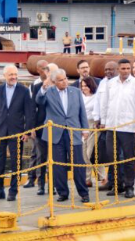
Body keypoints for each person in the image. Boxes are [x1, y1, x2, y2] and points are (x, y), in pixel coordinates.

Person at [35, 69, 90, 202]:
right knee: (58, 165)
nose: (64, 81)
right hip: (55, 133)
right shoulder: (48, 92)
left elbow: (82, 111)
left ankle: (83, 193)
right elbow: (39, 100)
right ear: (54, 82)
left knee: (78, 163)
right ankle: (62, 193)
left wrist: (85, 129)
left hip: (73, 132)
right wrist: (44, 86)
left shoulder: (76, 92)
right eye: (60, 80)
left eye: (65, 78)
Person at [0, 65, 36, 201]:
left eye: (15, 74)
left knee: (16, 162)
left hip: (17, 132)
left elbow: (29, 113)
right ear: (4, 76)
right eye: (10, 75)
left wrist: (26, 132)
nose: (13, 77)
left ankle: (13, 191)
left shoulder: (24, 91)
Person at [99, 58, 135, 198]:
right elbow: (105, 103)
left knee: (129, 159)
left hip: (128, 127)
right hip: (112, 126)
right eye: (123, 69)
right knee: (113, 157)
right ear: (118, 69)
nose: (125, 71)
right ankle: (117, 185)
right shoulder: (110, 84)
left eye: (127, 69)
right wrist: (104, 121)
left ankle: (129, 186)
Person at [26, 60, 50, 191]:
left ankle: (53, 185)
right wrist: (31, 128)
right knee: (39, 156)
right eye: (44, 69)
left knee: (55, 158)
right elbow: (32, 108)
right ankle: (40, 184)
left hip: (56, 127)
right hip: (40, 126)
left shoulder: (61, 86)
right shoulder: (36, 87)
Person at [96, 61, 118, 192]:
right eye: (106, 69)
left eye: (111, 69)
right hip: (106, 125)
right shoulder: (103, 83)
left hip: (120, 126)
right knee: (110, 155)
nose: (108, 72)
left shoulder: (118, 84)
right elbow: (100, 103)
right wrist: (99, 119)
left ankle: (118, 182)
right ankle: (110, 181)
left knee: (118, 156)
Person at [80, 76, 101, 187]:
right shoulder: (80, 97)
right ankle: (87, 179)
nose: (84, 88)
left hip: (93, 125)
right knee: (83, 154)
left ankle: (102, 177)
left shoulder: (96, 97)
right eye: (82, 86)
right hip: (82, 125)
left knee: (90, 153)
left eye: (86, 86)